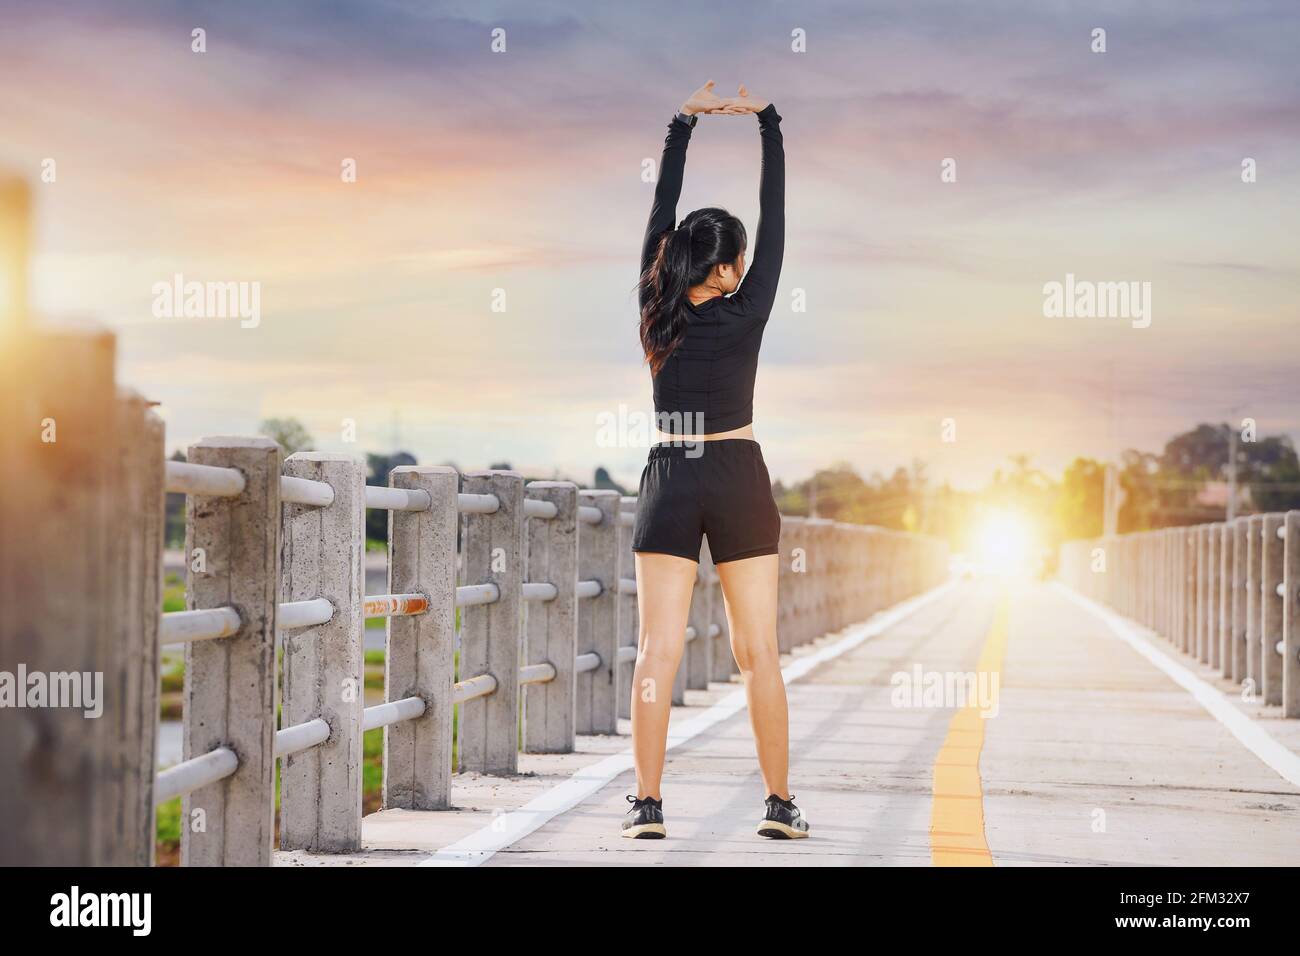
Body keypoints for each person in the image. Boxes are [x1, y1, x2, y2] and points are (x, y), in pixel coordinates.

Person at [623, 81, 808, 840]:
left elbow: (658, 216)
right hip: (737, 473)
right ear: (731, 267)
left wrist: (681, 126)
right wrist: (768, 123)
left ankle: (647, 807)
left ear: (674, 261)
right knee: (757, 651)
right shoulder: (751, 308)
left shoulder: (652, 306)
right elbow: (779, 216)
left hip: (672, 473)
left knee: (656, 653)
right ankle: (778, 805)